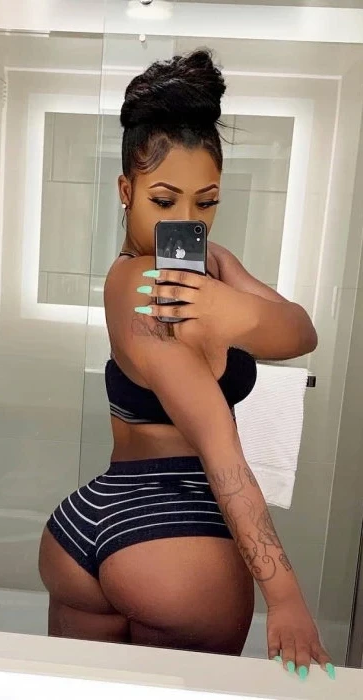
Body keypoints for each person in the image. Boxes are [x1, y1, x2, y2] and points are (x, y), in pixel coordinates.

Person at [38, 49, 335, 681]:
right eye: (164, 199)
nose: (187, 223)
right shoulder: (146, 288)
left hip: (88, 523)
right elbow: (219, 444)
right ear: (126, 191)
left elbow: (301, 331)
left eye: (206, 202)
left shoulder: (211, 267)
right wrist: (285, 598)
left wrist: (232, 310)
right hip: (175, 534)